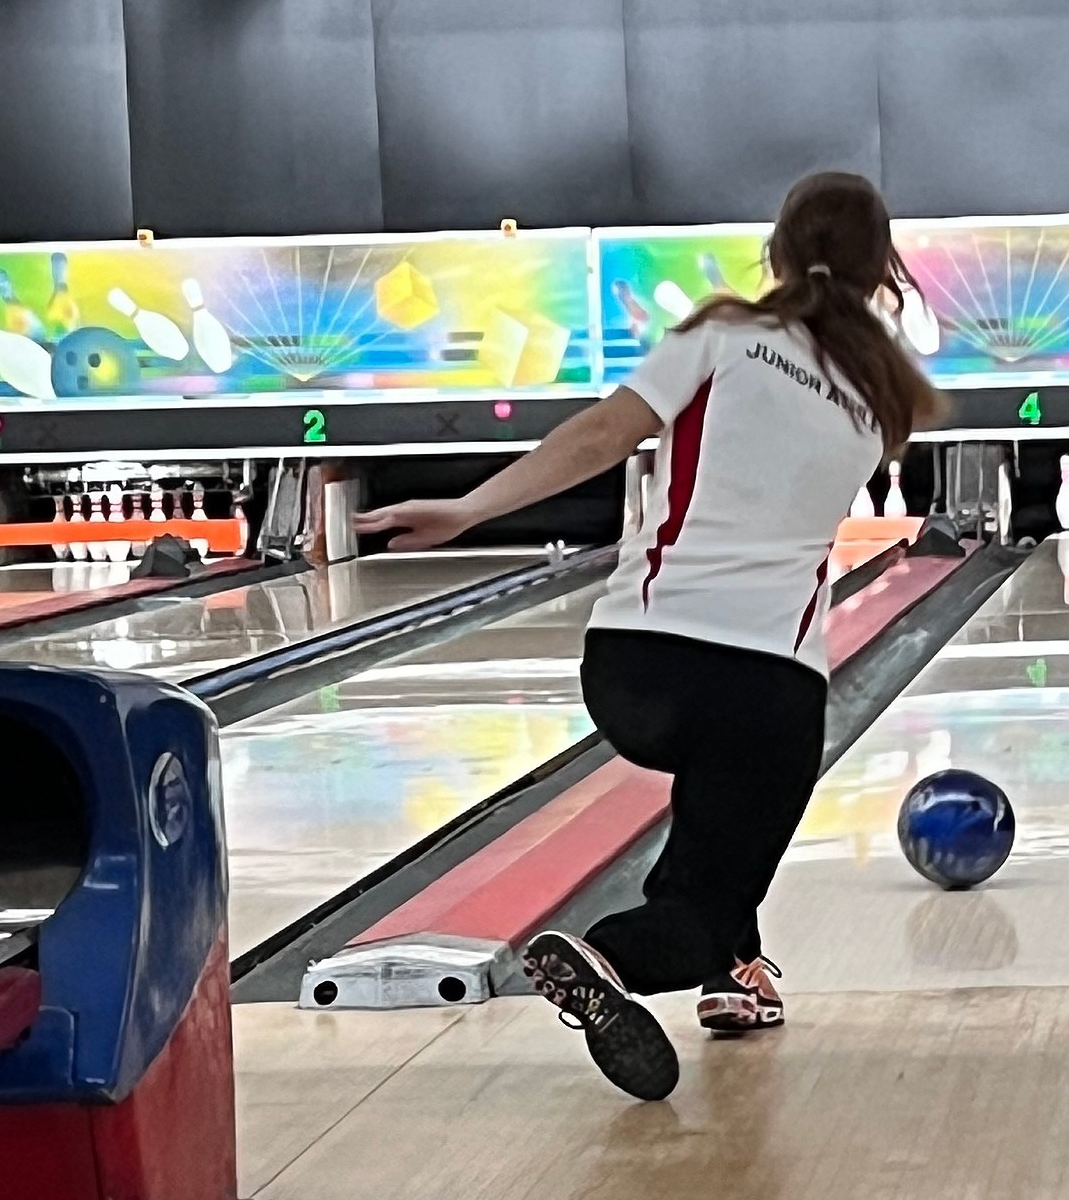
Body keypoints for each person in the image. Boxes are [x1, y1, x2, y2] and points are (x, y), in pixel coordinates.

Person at [354, 171, 941, 1101]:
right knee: (711, 886)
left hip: (636, 667)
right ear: (885, 275)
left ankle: (735, 975)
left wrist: (469, 509)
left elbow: (597, 438)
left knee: (718, 817)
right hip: (768, 687)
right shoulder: (884, 403)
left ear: (776, 253)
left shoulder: (719, 335)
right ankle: (614, 955)